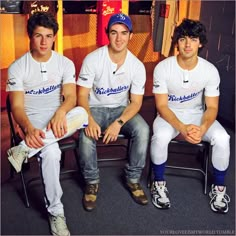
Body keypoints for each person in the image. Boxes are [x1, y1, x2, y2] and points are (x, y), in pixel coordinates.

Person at [6, 12, 88, 236]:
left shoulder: (65, 63)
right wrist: (29, 128)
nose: (43, 42)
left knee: (82, 112)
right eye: (38, 36)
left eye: (48, 36)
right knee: (51, 154)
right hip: (34, 125)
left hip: (60, 121)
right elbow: (17, 108)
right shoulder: (17, 67)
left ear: (54, 37)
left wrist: (61, 112)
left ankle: (22, 151)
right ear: (30, 38)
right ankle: (56, 212)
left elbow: (71, 97)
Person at [150, 18, 230, 214]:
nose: (187, 44)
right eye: (183, 38)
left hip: (197, 116)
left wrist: (202, 128)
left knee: (222, 138)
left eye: (193, 39)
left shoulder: (210, 70)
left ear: (200, 43)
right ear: (177, 41)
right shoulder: (163, 67)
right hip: (169, 116)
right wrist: (181, 127)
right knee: (159, 137)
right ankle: (158, 184)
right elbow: (161, 105)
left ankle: (219, 189)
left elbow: (211, 107)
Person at [77, 13, 150, 211]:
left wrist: (118, 122)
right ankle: (91, 182)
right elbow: (82, 96)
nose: (119, 38)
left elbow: (135, 103)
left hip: (121, 109)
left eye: (124, 33)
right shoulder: (92, 59)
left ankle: (133, 179)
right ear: (107, 34)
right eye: (114, 33)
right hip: (94, 108)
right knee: (85, 135)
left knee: (143, 130)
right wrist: (88, 119)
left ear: (131, 36)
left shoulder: (137, 66)